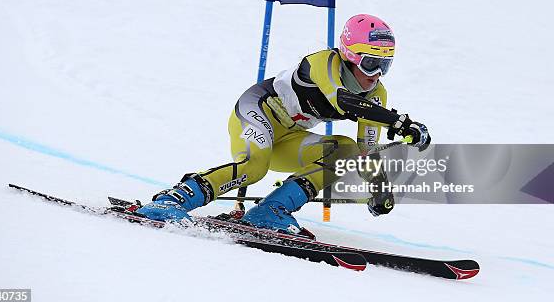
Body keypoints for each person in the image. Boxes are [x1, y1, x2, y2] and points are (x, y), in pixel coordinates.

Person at [134, 14, 430, 233]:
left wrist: (379, 188)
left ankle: (271, 211)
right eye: (370, 63)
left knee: (347, 151)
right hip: (255, 113)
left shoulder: (376, 94)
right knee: (254, 168)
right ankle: (172, 201)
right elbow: (343, 100)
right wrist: (400, 122)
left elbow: (367, 153)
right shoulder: (323, 62)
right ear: (350, 56)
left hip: (289, 136)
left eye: (385, 65)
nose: (376, 74)